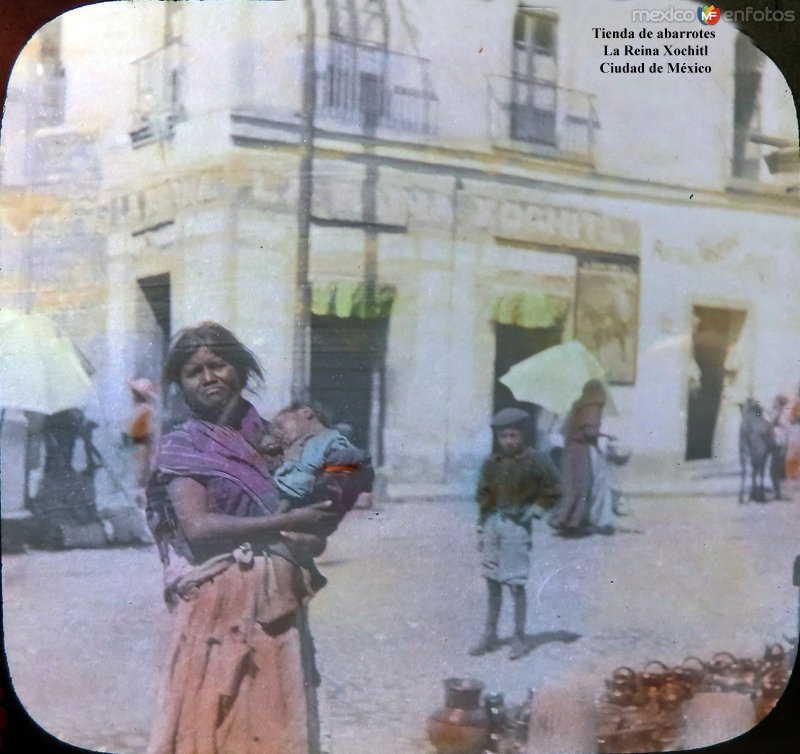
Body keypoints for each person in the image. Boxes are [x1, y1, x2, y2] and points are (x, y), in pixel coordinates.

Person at [145, 322, 342, 754]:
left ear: (240, 369)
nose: (208, 377)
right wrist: (279, 527)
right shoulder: (185, 444)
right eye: (194, 371)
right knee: (218, 722)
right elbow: (198, 528)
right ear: (180, 383)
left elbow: (311, 508)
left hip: (277, 599)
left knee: (273, 718)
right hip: (219, 600)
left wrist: (313, 529)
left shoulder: (270, 436)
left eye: (218, 365)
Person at [470, 407, 560, 661]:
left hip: (517, 526)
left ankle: (519, 637)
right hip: (492, 524)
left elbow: (553, 490)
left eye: (513, 436)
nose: (508, 442)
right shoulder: (492, 463)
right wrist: (481, 526)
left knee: (515, 583)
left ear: (524, 436)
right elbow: (483, 495)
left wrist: (535, 511)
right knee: (492, 579)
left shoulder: (537, 460)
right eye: (503, 437)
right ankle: (490, 634)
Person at [269, 402, 374, 514]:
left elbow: (346, 457)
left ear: (305, 412)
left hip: (307, 492)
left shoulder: (329, 438)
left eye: (280, 425)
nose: (278, 433)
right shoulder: (299, 444)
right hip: (287, 490)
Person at [548, 379, 614, 536]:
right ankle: (570, 522)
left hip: (570, 450)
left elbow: (568, 429)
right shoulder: (592, 407)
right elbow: (589, 432)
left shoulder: (578, 405)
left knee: (572, 487)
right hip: (581, 451)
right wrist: (605, 436)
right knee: (582, 486)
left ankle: (567, 520)